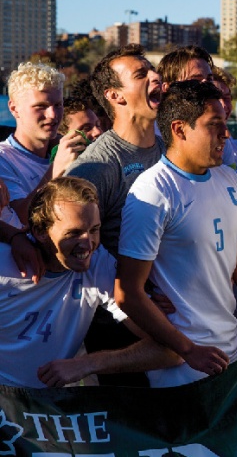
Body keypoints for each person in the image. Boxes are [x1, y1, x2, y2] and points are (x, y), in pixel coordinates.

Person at [114, 80, 237, 388]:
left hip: (229, 351)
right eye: (214, 125)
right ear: (180, 129)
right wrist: (187, 349)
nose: (226, 134)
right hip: (181, 364)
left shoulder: (228, 180)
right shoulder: (153, 191)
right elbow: (128, 293)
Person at [0, 177, 177, 388]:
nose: (88, 244)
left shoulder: (97, 264)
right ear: (40, 232)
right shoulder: (6, 263)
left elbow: (173, 350)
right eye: (74, 233)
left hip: (52, 409)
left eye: (94, 230)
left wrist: (89, 363)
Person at [64, 44, 164, 386]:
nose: (156, 77)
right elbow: (75, 246)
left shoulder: (171, 148)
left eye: (153, 70)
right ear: (115, 95)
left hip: (176, 308)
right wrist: (140, 291)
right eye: (141, 75)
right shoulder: (98, 166)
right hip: (121, 327)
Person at [0, 62, 88, 224]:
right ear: (14, 108)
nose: (53, 115)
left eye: (58, 105)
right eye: (41, 106)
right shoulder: (3, 160)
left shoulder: (69, 151)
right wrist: (55, 170)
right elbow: (18, 220)